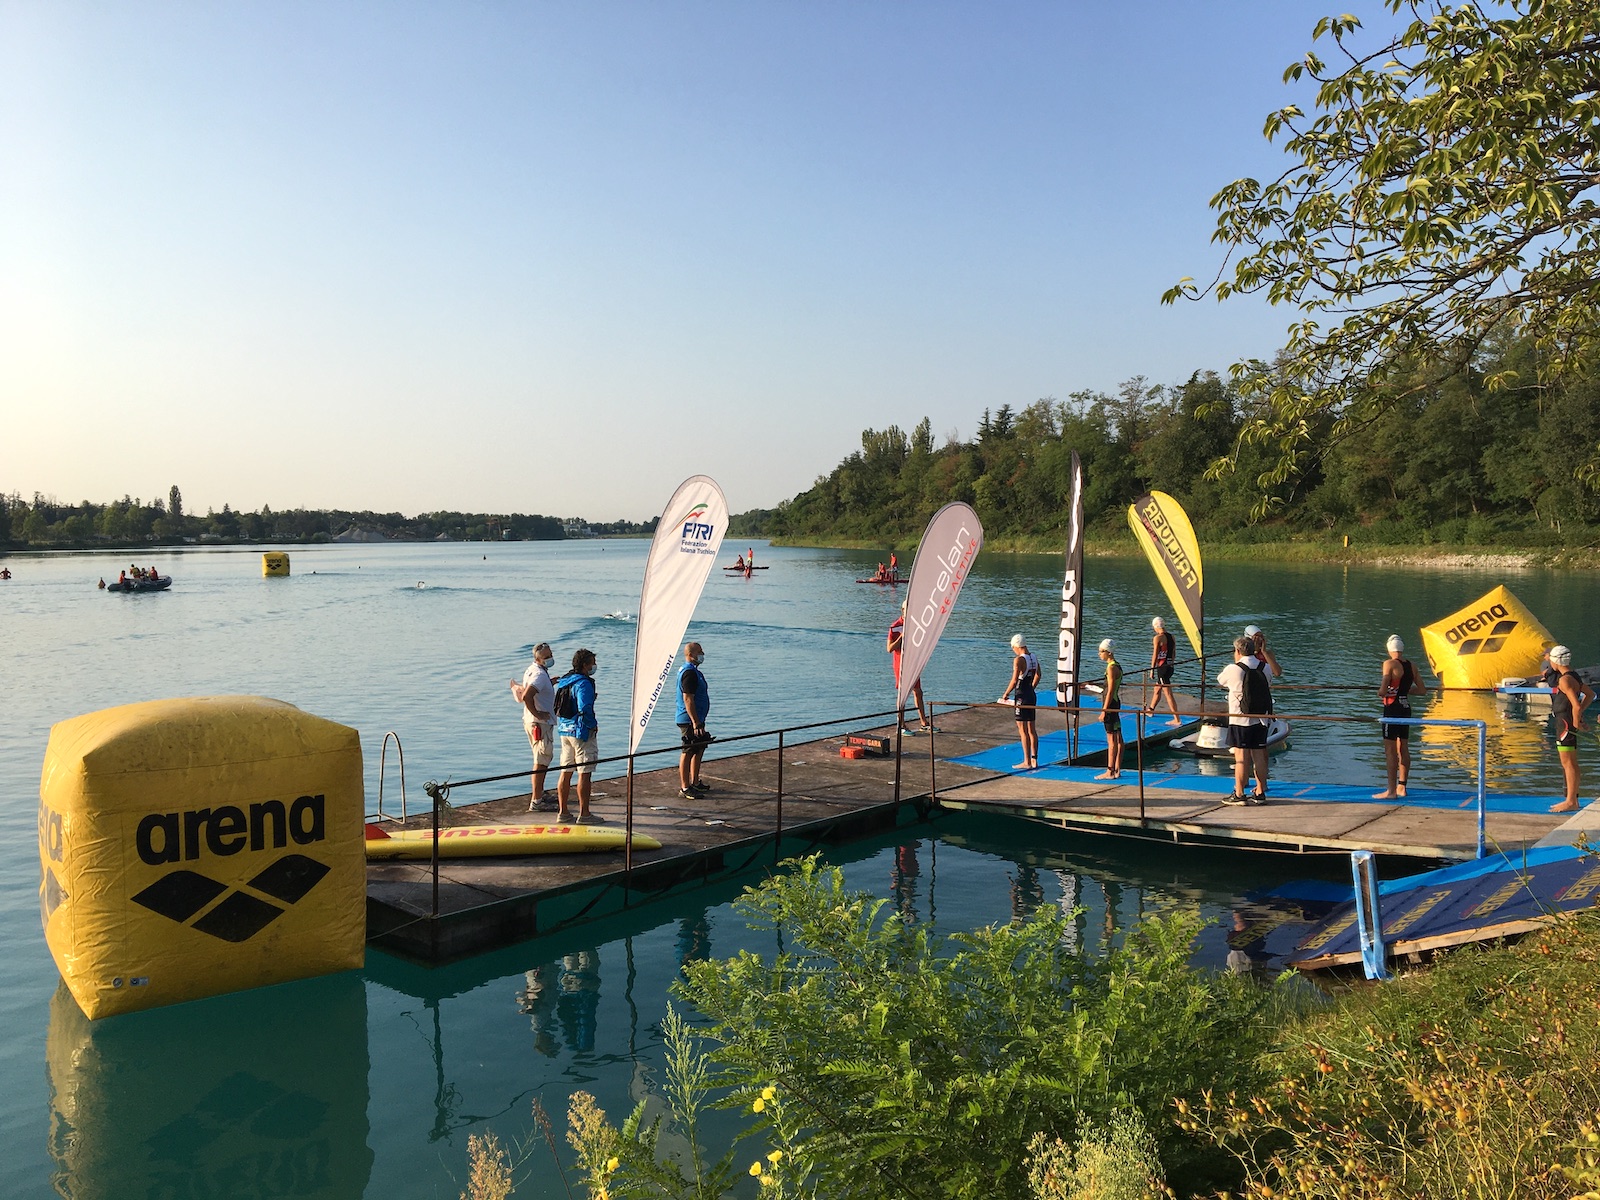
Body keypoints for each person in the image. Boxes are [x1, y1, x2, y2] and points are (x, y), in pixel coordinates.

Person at [1218, 634, 1272, 805]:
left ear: (1238, 651)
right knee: (1259, 757)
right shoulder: (1265, 667)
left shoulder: (1233, 669)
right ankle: (1260, 791)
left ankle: (1239, 793)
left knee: (1241, 758)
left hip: (1240, 720)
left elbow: (1220, 681)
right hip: (1261, 719)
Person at [1374, 634, 1428, 800]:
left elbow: (1383, 690)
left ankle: (1390, 791)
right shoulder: (1412, 666)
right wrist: (1404, 691)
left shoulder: (1389, 664)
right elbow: (1422, 690)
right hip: (1405, 708)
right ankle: (1402, 787)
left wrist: (1385, 692)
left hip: (1392, 709)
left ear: (1390, 649)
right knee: (1403, 747)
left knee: (1390, 751)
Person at [554, 648, 601, 824]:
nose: (594, 666)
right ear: (584, 665)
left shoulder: (565, 681)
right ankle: (585, 814)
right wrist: (592, 725)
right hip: (581, 732)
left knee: (565, 771)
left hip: (564, 730)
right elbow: (584, 707)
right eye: (592, 663)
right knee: (585, 772)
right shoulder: (584, 683)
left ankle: (563, 812)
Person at [511, 642, 557, 811]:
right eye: (547, 657)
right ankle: (536, 801)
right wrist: (538, 714)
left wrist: (549, 683)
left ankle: (540, 792)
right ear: (538, 659)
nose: (551, 658)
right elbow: (527, 696)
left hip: (533, 721)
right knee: (542, 760)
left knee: (542, 758)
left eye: (551, 654)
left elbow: (534, 691)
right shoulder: (538, 675)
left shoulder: (533, 670)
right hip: (539, 723)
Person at [1548, 644, 1594, 813]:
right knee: (1570, 763)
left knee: (1568, 763)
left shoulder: (1564, 680)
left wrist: (1576, 722)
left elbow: (1575, 704)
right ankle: (1572, 799)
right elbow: (1590, 695)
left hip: (1565, 725)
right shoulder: (1573, 676)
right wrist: (1580, 715)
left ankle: (1570, 801)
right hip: (1566, 724)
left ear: (1555, 661)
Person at [887, 601, 933, 731]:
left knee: (918, 692)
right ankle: (901, 725)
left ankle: (924, 722)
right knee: (903, 695)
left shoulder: (916, 624)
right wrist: (901, 637)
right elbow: (889, 648)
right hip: (900, 665)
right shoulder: (895, 627)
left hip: (913, 663)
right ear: (903, 611)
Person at [676, 641, 712, 800]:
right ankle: (685, 787)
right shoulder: (689, 672)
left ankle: (695, 781)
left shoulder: (694, 671)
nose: (702, 654)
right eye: (699, 651)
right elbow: (688, 699)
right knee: (689, 749)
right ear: (690, 655)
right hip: (689, 719)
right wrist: (695, 722)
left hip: (698, 718)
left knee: (699, 747)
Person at [1001, 634, 1041, 770]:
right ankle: (1035, 759)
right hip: (1031, 694)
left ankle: (1027, 761)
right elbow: (1038, 675)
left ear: (1016, 646)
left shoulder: (1018, 660)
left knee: (1022, 730)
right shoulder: (1034, 657)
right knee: (1032, 729)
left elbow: (1014, 680)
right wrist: (1032, 688)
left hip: (1021, 696)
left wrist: (1005, 694)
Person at [1094, 638, 1123, 780]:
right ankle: (1117, 769)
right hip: (1115, 703)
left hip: (1111, 705)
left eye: (1101, 652)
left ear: (1108, 652)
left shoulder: (1111, 668)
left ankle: (1110, 771)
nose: (1099, 654)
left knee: (1111, 740)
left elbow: (1110, 690)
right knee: (1118, 738)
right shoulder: (1117, 665)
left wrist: (1104, 711)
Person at [1149, 617, 1180, 726]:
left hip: (1162, 668)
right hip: (1170, 666)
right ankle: (1150, 710)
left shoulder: (1158, 638)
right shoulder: (1172, 637)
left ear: (1155, 627)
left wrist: (1152, 669)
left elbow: (1155, 654)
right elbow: (1173, 652)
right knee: (1157, 689)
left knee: (1168, 693)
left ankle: (1176, 718)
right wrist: (1171, 663)